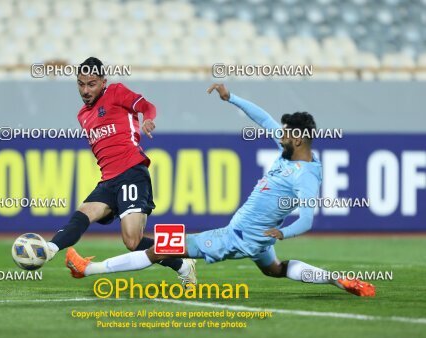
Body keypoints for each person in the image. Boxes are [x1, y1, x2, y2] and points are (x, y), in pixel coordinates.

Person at [64, 83, 375, 297]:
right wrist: (232, 98)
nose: (278, 135)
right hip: (257, 236)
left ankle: (88, 269)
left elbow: (307, 220)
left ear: (298, 140)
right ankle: (338, 281)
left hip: (236, 237)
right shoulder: (294, 153)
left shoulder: (305, 176)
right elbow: (264, 119)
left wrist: (284, 234)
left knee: (160, 248)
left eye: (285, 134)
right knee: (276, 269)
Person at [45, 57, 197, 288]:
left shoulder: (116, 92)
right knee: (83, 212)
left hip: (131, 173)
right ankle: (49, 248)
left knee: (132, 240)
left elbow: (147, 106)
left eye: (92, 84)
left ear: (103, 82)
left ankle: (184, 259)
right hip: (108, 181)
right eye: (81, 84)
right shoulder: (82, 116)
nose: (85, 90)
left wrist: (148, 119)